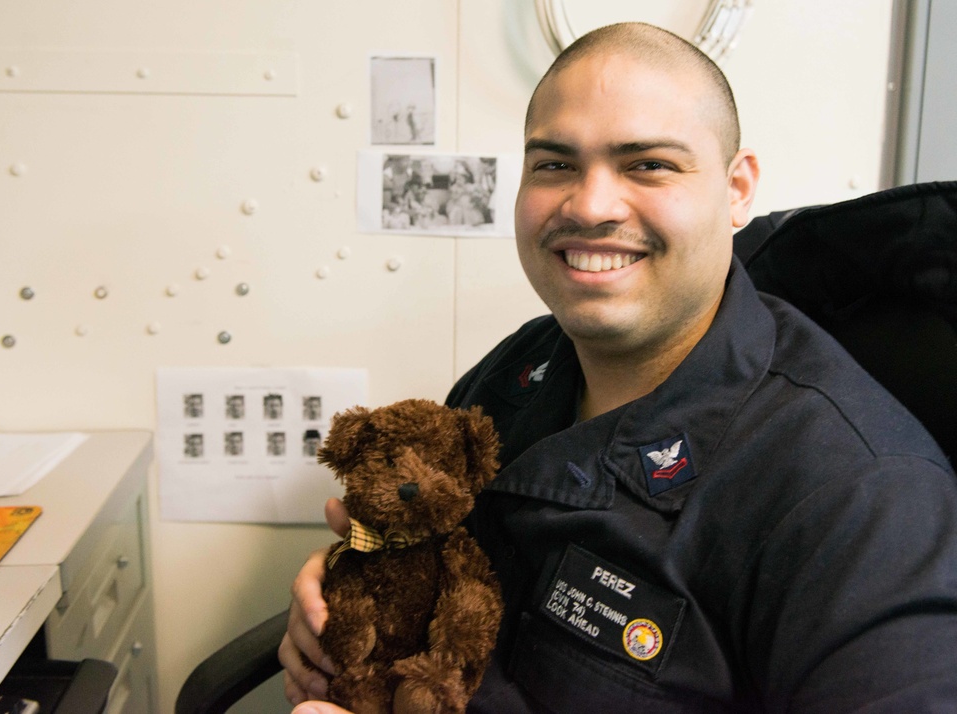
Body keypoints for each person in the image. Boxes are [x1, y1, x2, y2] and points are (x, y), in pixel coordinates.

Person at [280, 22, 957, 713]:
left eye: (648, 164)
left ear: (737, 189)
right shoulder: (517, 368)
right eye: (553, 165)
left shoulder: (861, 500)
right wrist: (342, 592)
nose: (590, 205)